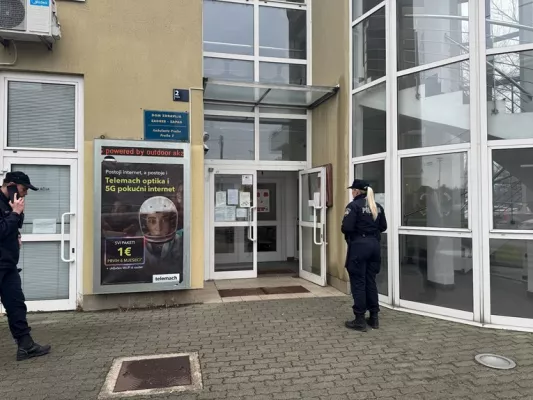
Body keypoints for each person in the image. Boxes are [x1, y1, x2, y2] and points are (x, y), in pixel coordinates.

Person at [0, 171, 51, 361]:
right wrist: (15, 213)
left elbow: (13, 227)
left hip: (8, 265)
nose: (25, 194)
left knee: (16, 305)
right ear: (11, 185)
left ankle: (26, 345)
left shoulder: (11, 203)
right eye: (23, 189)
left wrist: (17, 214)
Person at [341, 179, 387, 332]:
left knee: (358, 282)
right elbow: (383, 227)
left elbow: (346, 227)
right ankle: (374, 317)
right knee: (370, 281)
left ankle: (359, 319)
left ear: (357, 191)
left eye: (353, 190)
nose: (352, 192)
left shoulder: (353, 206)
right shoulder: (377, 206)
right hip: (374, 246)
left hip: (359, 247)